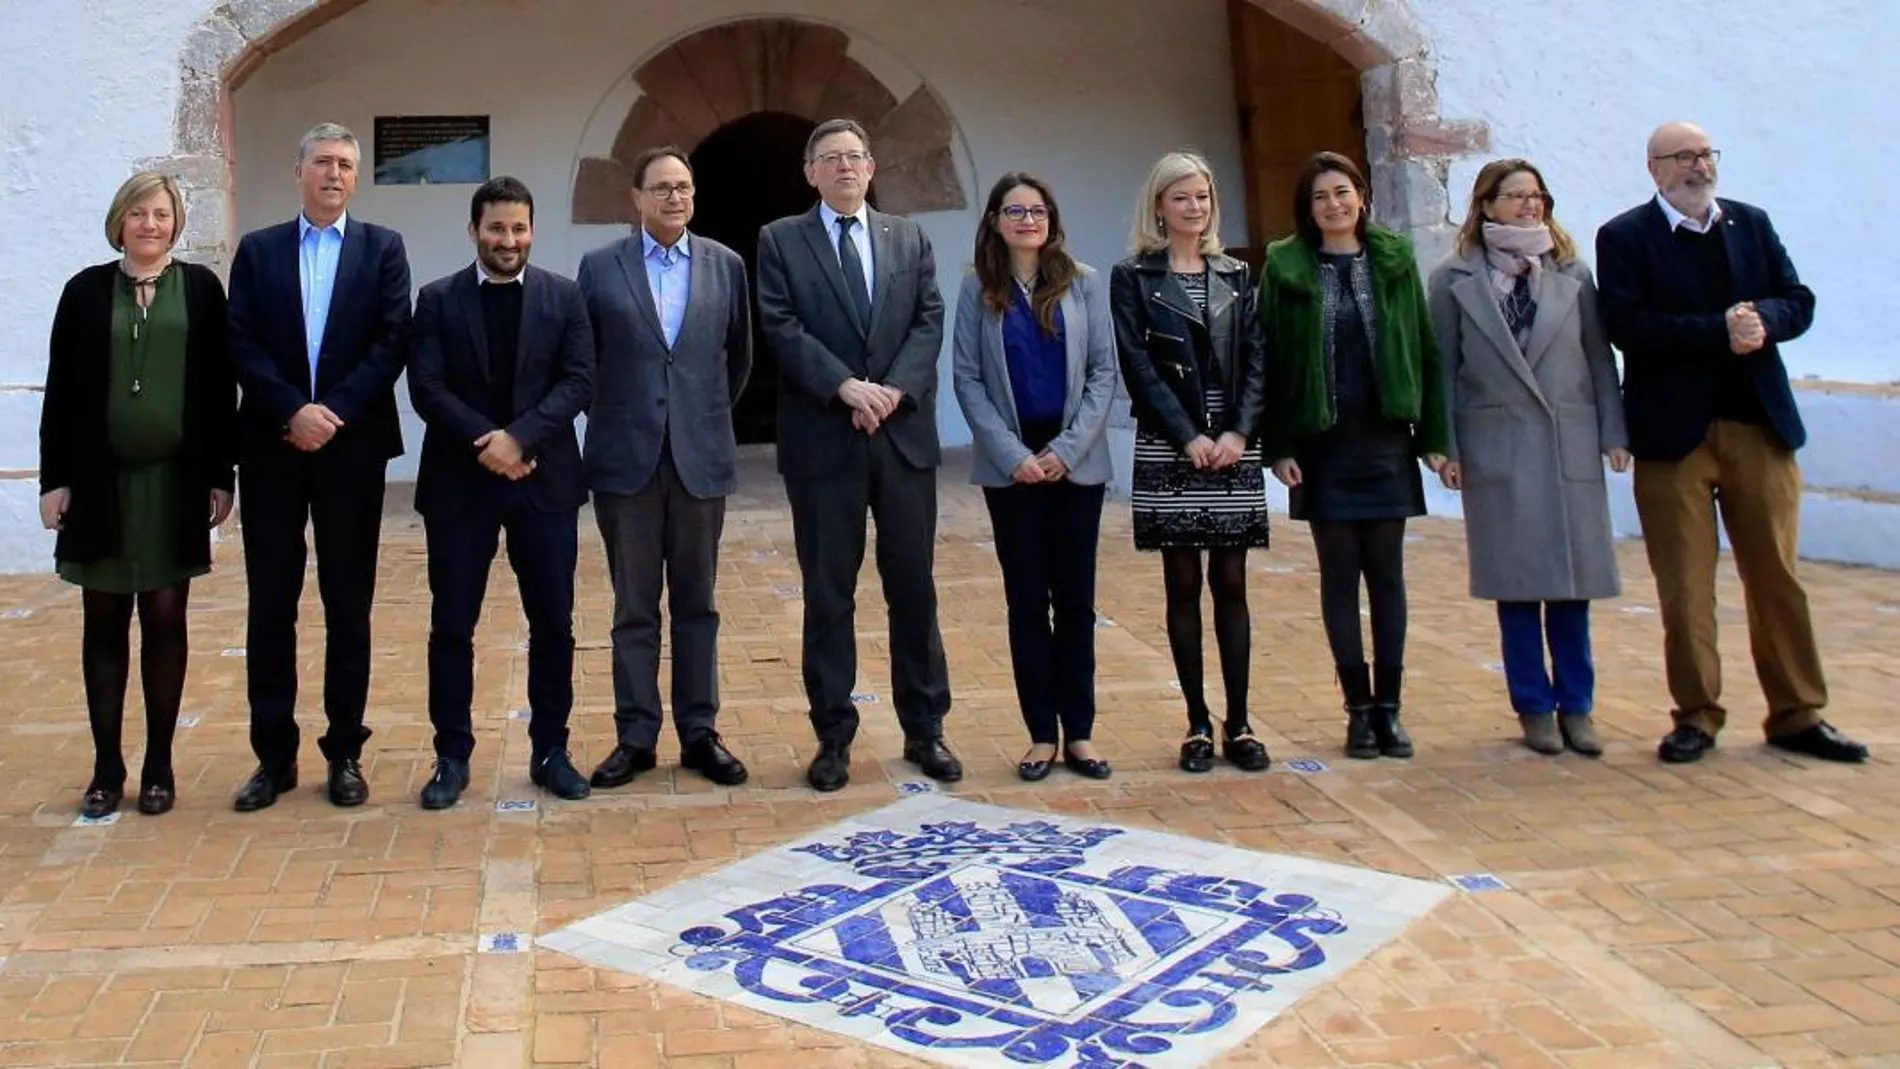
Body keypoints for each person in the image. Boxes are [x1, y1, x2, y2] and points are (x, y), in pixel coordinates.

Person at [1595, 121, 1866, 764]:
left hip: (1759, 427)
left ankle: (1799, 712)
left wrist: (1763, 323)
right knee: (1685, 588)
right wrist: (1717, 331)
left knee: (1777, 577)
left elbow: (1798, 300)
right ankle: (1696, 714)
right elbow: (1628, 326)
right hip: (1674, 437)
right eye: (1684, 157)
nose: (1699, 166)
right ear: (1655, 168)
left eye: (1706, 154)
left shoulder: (1752, 222)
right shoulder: (1625, 236)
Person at [756, 118, 958, 792]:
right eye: (830, 158)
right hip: (824, 440)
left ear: (872, 168)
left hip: (900, 438)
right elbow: (779, 324)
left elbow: (930, 318)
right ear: (809, 172)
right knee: (828, 593)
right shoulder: (781, 240)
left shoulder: (910, 237)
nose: (844, 167)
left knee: (914, 590)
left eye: (855, 156)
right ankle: (833, 736)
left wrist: (893, 390)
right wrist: (842, 385)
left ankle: (925, 727)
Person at [226, 122, 412, 811]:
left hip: (351, 447)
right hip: (272, 448)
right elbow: (239, 339)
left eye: (345, 164)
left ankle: (346, 752)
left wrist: (329, 411)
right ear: (297, 169)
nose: (334, 173)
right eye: (322, 162)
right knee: (271, 605)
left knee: (348, 604)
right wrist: (290, 411)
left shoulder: (382, 249)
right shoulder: (260, 250)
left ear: (355, 177)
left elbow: (392, 338)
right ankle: (273, 758)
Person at [39, 170, 236, 818]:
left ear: (175, 222)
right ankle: (106, 767)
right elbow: (61, 393)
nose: (150, 224)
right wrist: (53, 481)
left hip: (172, 483)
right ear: (119, 220)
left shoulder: (202, 291)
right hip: (100, 484)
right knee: (103, 621)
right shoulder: (85, 292)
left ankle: (157, 766)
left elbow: (216, 391)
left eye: (161, 213)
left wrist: (220, 475)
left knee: (163, 617)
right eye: (138, 214)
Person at [406, 176, 596, 809]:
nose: (507, 239)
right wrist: (488, 442)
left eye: (518, 228)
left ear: (532, 231)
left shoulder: (564, 298)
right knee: (452, 625)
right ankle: (451, 757)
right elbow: (427, 387)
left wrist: (521, 440)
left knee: (553, 625)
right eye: (495, 228)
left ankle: (552, 750)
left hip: (545, 483)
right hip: (461, 486)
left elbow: (578, 381)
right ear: (474, 231)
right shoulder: (436, 300)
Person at [1429, 159, 1630, 756]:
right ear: (1486, 205)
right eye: (1515, 196)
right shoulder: (1453, 279)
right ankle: (1533, 706)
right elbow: (1442, 368)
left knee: (1572, 585)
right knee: (1516, 586)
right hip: (1499, 445)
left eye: (1537, 196)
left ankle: (1578, 704)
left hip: (1565, 439)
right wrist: (1446, 447)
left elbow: (1599, 359)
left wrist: (1613, 433)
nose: (1529, 206)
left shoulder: (1571, 273)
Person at [1261, 151, 1448, 761]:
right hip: (1322, 444)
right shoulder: (1285, 267)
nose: (1333, 205)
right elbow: (1269, 360)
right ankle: (1358, 710)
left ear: (1361, 196)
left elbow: (1424, 349)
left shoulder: (1393, 261)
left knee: (1387, 577)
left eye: (1342, 192)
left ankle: (1391, 708)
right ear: (1307, 209)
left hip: (1384, 438)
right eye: (1320, 197)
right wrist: (1279, 444)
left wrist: (1435, 439)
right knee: (1340, 577)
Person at [578, 147, 752, 790]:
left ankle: (700, 732)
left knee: (698, 603)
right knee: (633, 605)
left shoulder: (725, 266)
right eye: (661, 188)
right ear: (636, 198)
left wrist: (692, 418)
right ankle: (636, 735)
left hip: (700, 457)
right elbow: (586, 361)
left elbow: (738, 361)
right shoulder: (600, 269)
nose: (675, 198)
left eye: (683, 187)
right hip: (626, 460)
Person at [951, 173, 1118, 782]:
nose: (1028, 219)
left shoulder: (1084, 283)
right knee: (1026, 600)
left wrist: (1067, 451)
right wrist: (1012, 453)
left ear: (1052, 218)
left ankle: (1080, 732)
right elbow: (967, 378)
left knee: (1075, 601)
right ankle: (1039, 735)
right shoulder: (979, 290)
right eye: (1015, 210)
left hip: (1075, 467)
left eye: (1038, 209)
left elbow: (1104, 373)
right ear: (995, 220)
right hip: (1011, 468)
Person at [1110, 152, 1271, 775]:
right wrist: (1185, 435)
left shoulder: (1237, 273)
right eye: (1181, 198)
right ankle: (1198, 723)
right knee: (1181, 584)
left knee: (1231, 584)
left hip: (1232, 440)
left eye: (1202, 196)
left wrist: (1237, 432)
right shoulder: (1135, 276)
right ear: (1159, 206)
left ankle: (1241, 721)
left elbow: (1258, 358)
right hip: (1169, 439)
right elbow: (1136, 363)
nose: (1194, 207)